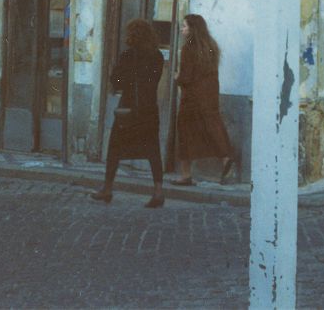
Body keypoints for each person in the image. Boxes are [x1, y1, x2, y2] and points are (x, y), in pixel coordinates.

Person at [91, 18, 165, 208]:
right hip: (149, 109)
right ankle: (158, 191)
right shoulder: (157, 56)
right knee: (153, 150)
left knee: (115, 148)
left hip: (129, 109)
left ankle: (107, 188)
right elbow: (154, 80)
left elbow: (116, 81)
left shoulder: (127, 56)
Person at [171, 14, 237, 185]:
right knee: (212, 129)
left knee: (186, 134)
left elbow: (186, 77)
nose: (182, 29)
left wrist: (177, 76)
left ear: (193, 29)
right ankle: (226, 159)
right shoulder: (211, 46)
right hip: (209, 97)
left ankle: (186, 175)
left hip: (191, 99)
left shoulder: (188, 48)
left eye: (184, 26)